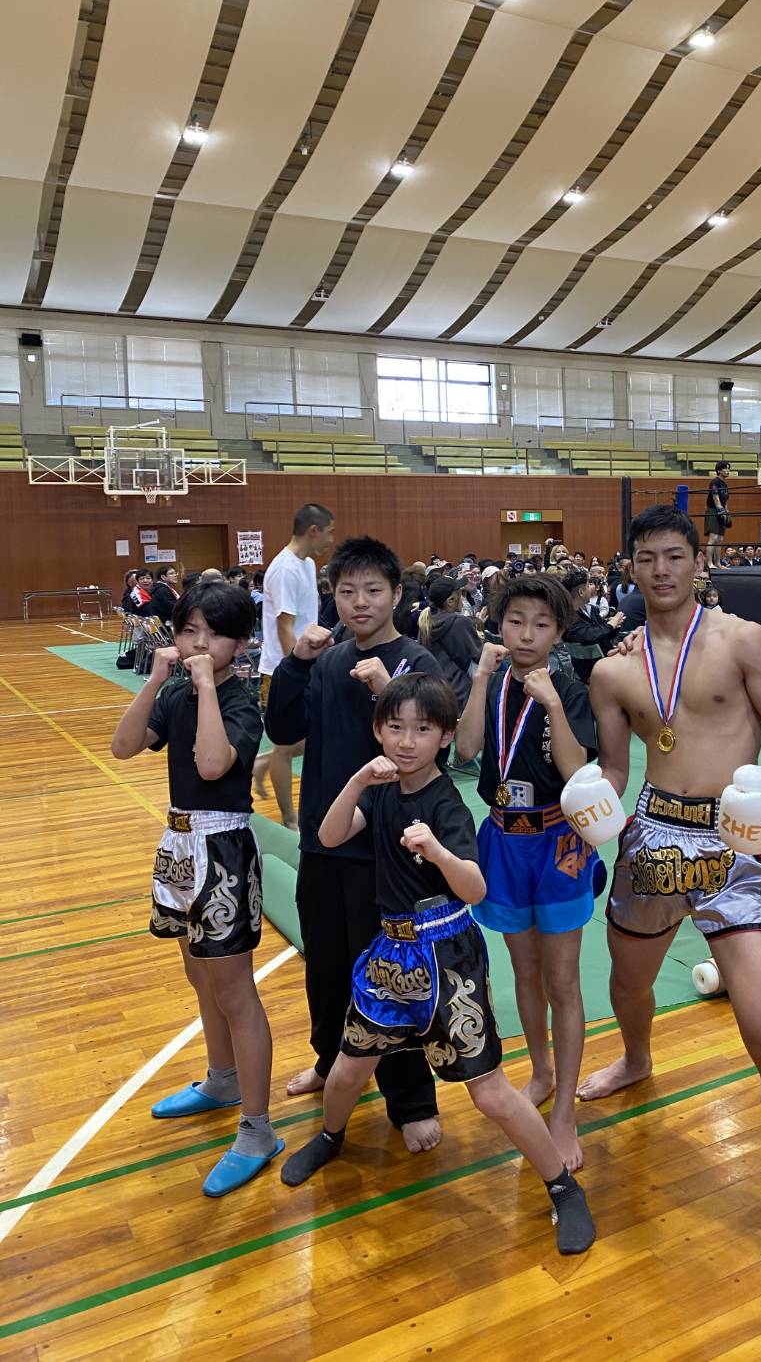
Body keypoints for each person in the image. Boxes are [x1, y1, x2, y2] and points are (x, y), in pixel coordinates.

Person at [578, 503, 761, 1303]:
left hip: (734, 841)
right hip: (653, 839)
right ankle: (637, 1057)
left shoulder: (744, 641)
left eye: (675, 555)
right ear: (630, 566)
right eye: (647, 557)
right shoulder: (614, 668)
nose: (661, 569)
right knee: (628, 985)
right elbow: (617, 766)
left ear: (698, 562)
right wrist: (593, 797)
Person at [279, 674, 596, 1253]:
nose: (407, 741)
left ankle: (563, 1187)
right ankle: (330, 1137)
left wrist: (438, 851)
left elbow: (475, 889)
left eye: (422, 729)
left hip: (449, 954)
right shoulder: (380, 790)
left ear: (445, 736)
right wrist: (357, 779)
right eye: (395, 727)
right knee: (348, 1069)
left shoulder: (445, 802)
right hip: (390, 953)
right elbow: (329, 833)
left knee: (490, 1093)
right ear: (378, 731)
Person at [264, 535, 443, 1149]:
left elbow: (427, 750)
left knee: (393, 975)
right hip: (324, 838)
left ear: (397, 593)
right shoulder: (327, 657)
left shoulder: (415, 661)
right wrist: (295, 662)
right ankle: (329, 1058)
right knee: (326, 963)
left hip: (388, 850)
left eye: (372, 590)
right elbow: (282, 728)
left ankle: (411, 1099)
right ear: (332, 597)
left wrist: (385, 691)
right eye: (347, 591)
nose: (359, 602)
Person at [110, 583, 278, 1195]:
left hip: (224, 847)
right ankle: (221, 1079)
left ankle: (257, 1129)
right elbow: (123, 747)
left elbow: (212, 765)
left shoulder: (240, 703)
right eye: (188, 631)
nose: (199, 643)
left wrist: (206, 685)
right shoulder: (177, 692)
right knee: (199, 975)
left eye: (214, 633)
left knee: (235, 990)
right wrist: (156, 680)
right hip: (178, 844)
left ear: (241, 641)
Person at [454, 574, 602, 1172]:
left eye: (541, 624)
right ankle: (541, 1072)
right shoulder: (490, 684)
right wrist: (479, 679)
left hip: (558, 841)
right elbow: (466, 751)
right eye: (515, 621)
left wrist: (554, 705)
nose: (526, 634)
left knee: (563, 980)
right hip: (502, 839)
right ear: (499, 623)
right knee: (524, 969)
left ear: (559, 632)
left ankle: (565, 1112)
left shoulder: (570, 688)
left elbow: (575, 772)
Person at [253, 503, 335, 828]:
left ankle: (264, 763)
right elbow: (285, 626)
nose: (331, 539)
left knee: (312, 737)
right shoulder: (284, 569)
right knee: (286, 747)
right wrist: (297, 670)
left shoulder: (309, 564)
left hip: (307, 664)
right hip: (282, 670)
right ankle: (289, 818)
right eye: (329, 532)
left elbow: (305, 620)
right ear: (313, 531)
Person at [418, 576, 481, 711]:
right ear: (451, 601)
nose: (462, 598)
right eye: (460, 594)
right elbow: (478, 658)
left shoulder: (425, 622)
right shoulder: (460, 623)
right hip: (461, 696)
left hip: (434, 695)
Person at [562, 567, 624, 683]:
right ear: (581, 592)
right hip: (594, 670)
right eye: (588, 585)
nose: (591, 587)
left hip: (608, 659)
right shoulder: (568, 618)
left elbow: (603, 633)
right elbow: (589, 636)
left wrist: (615, 625)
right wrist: (610, 625)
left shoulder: (591, 609)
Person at [705, 461, 731, 568]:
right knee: (713, 537)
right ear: (719, 470)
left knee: (720, 539)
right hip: (713, 511)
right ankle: (709, 563)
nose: (728, 470)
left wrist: (726, 511)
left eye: (729, 468)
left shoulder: (725, 484)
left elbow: (726, 500)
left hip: (722, 511)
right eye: (725, 468)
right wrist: (720, 510)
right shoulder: (715, 482)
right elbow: (715, 497)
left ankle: (718, 563)